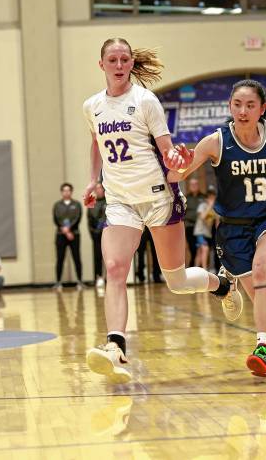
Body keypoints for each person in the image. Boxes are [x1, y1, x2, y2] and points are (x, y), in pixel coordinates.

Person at [80, 38, 234, 384]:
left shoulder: (146, 101)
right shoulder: (92, 106)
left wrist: (176, 158)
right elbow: (95, 143)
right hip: (120, 202)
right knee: (115, 269)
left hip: (158, 197)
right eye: (113, 59)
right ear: (101, 64)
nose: (119, 65)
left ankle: (220, 284)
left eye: (124, 59)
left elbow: (167, 150)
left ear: (132, 63)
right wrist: (93, 181)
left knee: (176, 281)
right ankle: (115, 346)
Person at [167, 79, 266, 377]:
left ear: (262, 109)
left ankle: (262, 347)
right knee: (260, 298)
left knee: (262, 270)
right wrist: (176, 162)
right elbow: (176, 174)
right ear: (229, 107)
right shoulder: (216, 141)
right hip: (233, 229)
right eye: (237, 104)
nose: (243, 111)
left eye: (250, 105)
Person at [52, 183, 83, 292]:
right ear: (61, 192)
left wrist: (69, 229)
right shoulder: (57, 205)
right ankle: (58, 282)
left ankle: (79, 281)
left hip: (74, 234)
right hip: (61, 235)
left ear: (71, 192)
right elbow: (56, 219)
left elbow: (78, 218)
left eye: (68, 190)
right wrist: (64, 230)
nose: (66, 192)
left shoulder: (77, 204)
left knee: (76, 258)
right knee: (60, 259)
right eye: (64, 190)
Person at [87, 182, 107, 290]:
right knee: (97, 257)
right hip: (95, 235)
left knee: (108, 258)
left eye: (100, 188)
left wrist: (102, 229)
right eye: (96, 189)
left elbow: (106, 217)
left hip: (106, 233)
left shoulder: (108, 200)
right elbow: (89, 219)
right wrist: (93, 232)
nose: (98, 190)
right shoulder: (90, 201)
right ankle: (98, 277)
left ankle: (108, 278)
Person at [193, 186, 216, 270]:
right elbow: (202, 217)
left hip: (208, 233)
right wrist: (210, 206)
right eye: (211, 197)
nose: (212, 199)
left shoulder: (213, 208)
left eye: (213, 197)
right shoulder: (202, 205)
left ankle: (195, 270)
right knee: (205, 249)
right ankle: (204, 270)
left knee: (199, 252)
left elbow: (214, 220)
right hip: (200, 232)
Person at [183, 178, 203, 267]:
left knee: (202, 248)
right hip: (190, 227)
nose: (194, 186)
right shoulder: (185, 198)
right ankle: (193, 266)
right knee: (193, 248)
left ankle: (201, 267)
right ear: (189, 186)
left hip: (202, 227)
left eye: (196, 184)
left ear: (198, 186)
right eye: (192, 185)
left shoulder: (203, 197)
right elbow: (183, 214)